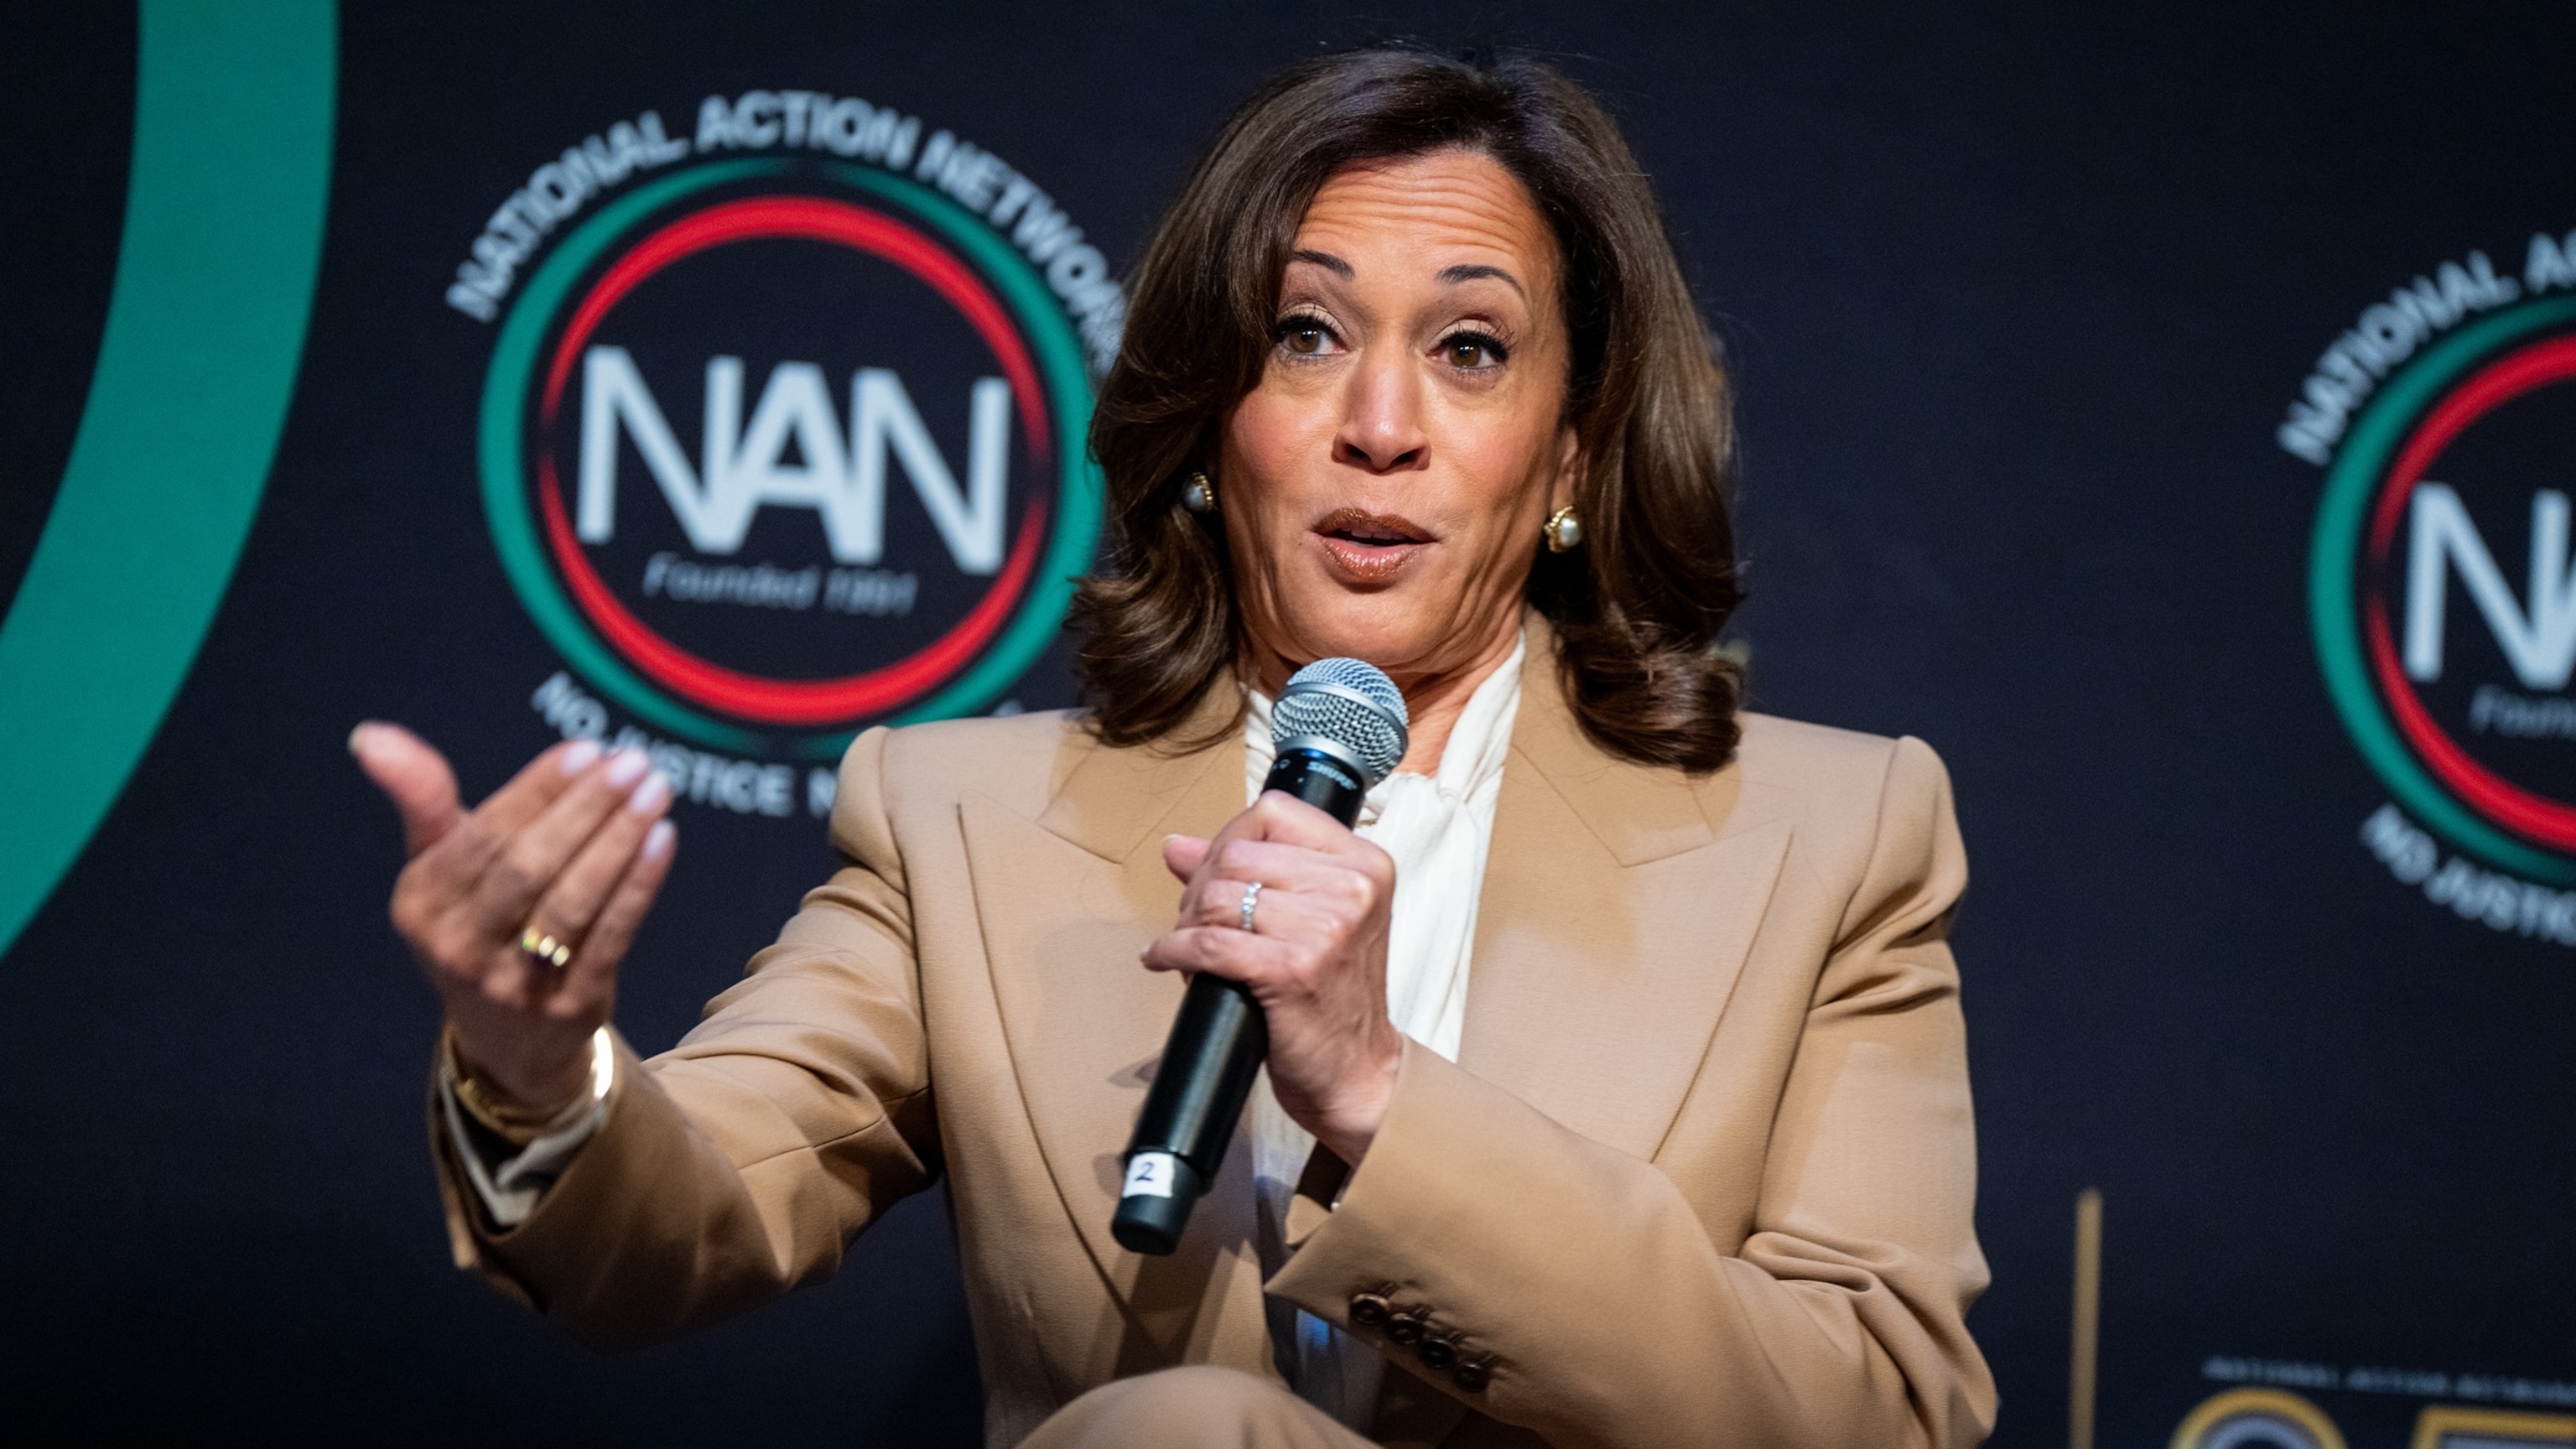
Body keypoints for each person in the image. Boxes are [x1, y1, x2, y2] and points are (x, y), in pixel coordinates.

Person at [352, 46, 1993, 1449]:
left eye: (1470, 350)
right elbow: (685, 1222)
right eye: (1305, 336)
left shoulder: (1835, 835)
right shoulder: (963, 820)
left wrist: (1381, 1096)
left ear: (1570, 453)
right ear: (1210, 424)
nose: (1381, 425)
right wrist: (538, 1064)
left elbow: (1882, 1410)